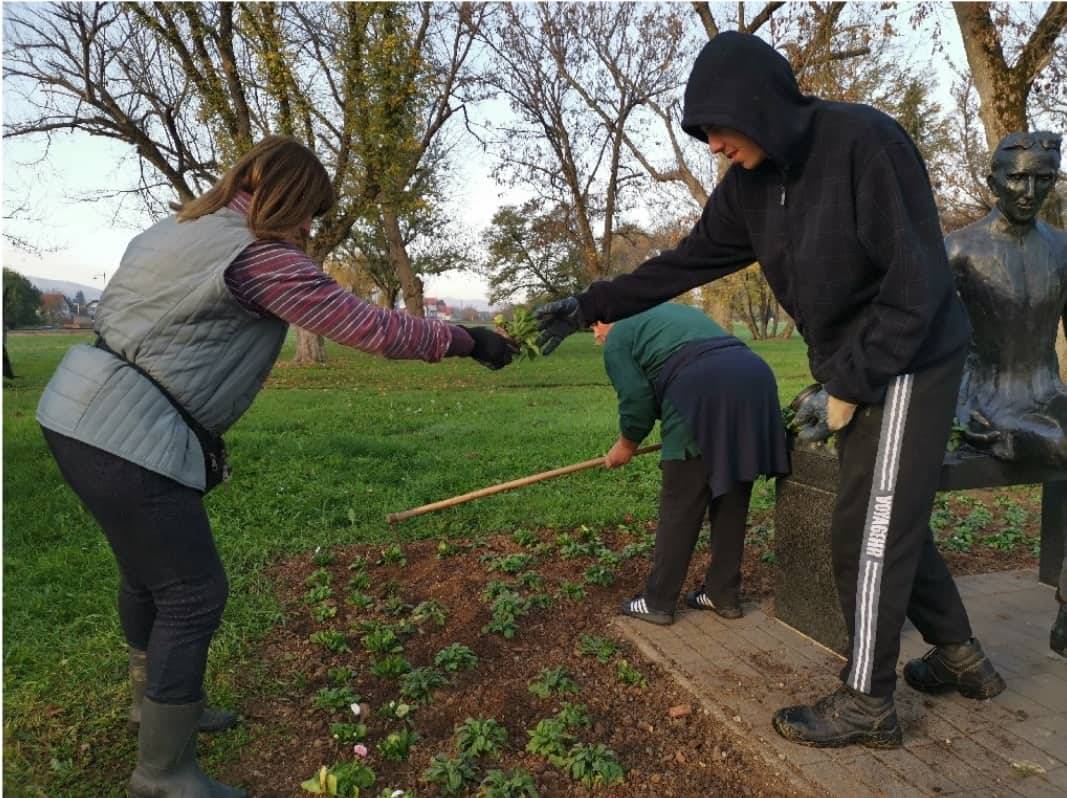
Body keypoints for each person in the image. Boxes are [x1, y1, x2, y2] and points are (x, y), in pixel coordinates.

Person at [535, 31, 1005, 749]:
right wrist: (587, 305)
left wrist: (849, 380)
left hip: (913, 356)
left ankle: (868, 701)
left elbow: (918, 282)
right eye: (704, 135)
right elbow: (683, 263)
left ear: (757, 105)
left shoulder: (863, 142)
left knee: (865, 531)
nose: (713, 146)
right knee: (887, 515)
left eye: (717, 128)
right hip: (854, 362)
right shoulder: (747, 190)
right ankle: (960, 657)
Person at [35, 136, 517, 797]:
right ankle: (162, 773)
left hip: (75, 409)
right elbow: (373, 328)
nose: (309, 229)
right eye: (309, 213)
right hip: (127, 435)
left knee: (148, 577)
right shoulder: (260, 259)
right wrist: (468, 340)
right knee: (191, 591)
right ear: (289, 200)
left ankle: (155, 705)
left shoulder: (175, 228)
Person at [594, 302, 788, 624]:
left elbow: (637, 399)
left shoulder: (619, 335)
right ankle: (722, 594)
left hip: (702, 389)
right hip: (754, 379)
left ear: (606, 317)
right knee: (731, 496)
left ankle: (657, 602)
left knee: (681, 502)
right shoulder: (663, 314)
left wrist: (626, 445)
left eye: (594, 326)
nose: (595, 335)